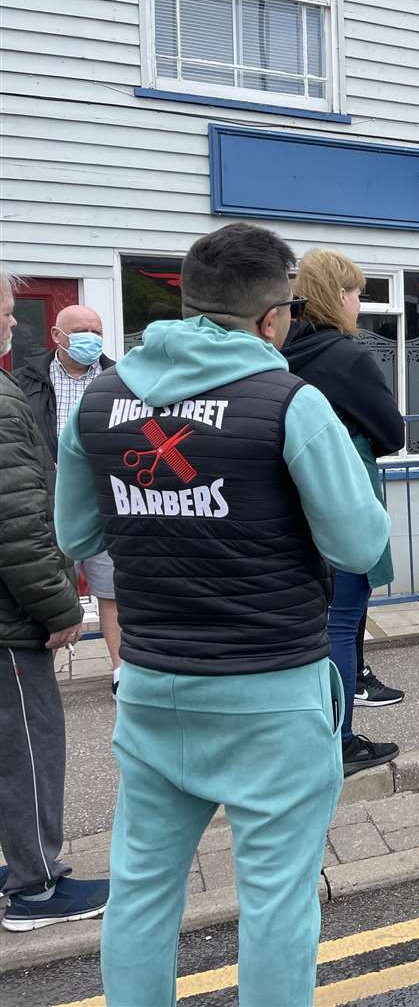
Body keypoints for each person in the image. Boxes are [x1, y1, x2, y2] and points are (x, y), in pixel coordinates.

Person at [53, 223, 389, 1003]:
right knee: (275, 901)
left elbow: (76, 535)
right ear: (275, 317)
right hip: (271, 690)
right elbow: (357, 540)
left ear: (187, 300)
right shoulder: (289, 400)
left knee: (140, 891)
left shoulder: (102, 398)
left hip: (155, 684)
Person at [0, 273, 104, 932]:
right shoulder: (7, 399)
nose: (13, 326)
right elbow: (14, 521)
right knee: (31, 745)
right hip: (10, 625)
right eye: (7, 314)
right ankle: (36, 887)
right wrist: (62, 607)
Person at [282, 248, 408, 775]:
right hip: (342, 501)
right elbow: (392, 433)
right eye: (356, 292)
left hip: (290, 510)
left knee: (310, 624)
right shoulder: (346, 356)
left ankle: (311, 735)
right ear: (337, 296)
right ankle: (340, 739)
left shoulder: (281, 352)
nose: (361, 302)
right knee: (343, 618)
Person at [14, 304, 124, 695]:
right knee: (48, 590)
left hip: (101, 499)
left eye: (96, 330)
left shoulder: (119, 379)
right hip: (43, 503)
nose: (90, 338)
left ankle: (119, 673)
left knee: (111, 590)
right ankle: (41, 679)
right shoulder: (24, 380)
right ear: (57, 337)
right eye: (80, 331)